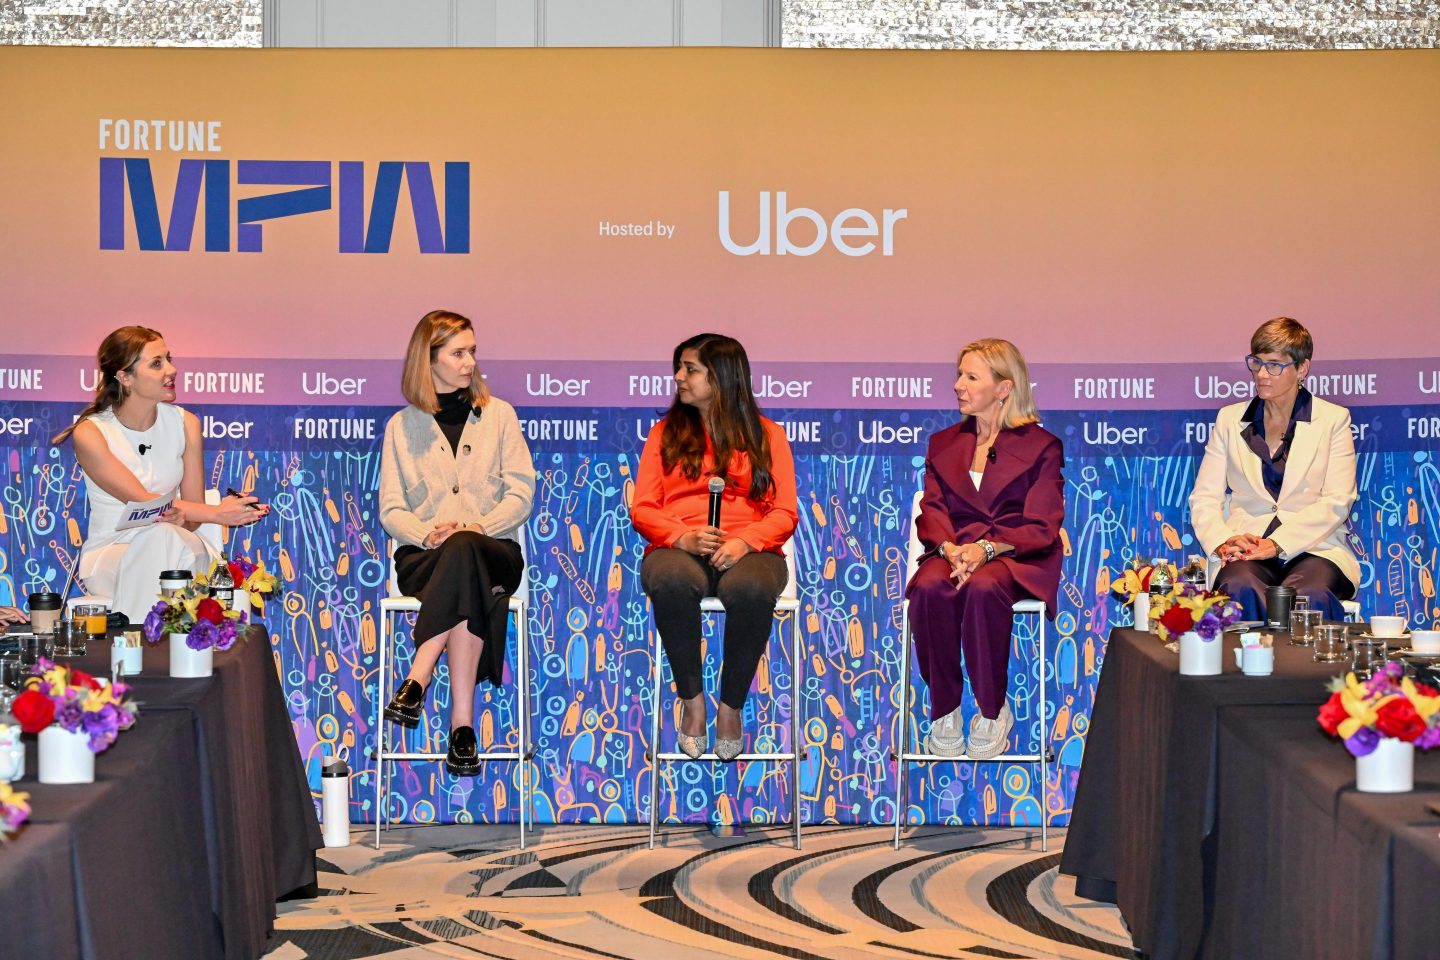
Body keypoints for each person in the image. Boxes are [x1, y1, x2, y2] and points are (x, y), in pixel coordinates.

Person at [379, 310, 536, 776]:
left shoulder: (499, 415)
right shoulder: (400, 427)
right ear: (427, 361)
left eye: (473, 351)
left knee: (468, 549)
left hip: (494, 549)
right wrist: (428, 532)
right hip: (424, 557)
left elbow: (522, 492)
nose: (470, 362)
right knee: (463, 569)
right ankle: (462, 727)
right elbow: (391, 509)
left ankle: (417, 677)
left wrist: (478, 527)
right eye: (459, 352)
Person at [631, 333, 798, 762]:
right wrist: (681, 536)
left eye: (691, 369)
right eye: (680, 368)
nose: (678, 377)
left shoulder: (768, 436)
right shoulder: (665, 434)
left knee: (751, 589)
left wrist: (747, 542)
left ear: (721, 377)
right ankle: (692, 701)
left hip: (750, 551)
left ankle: (730, 707)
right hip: (679, 548)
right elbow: (644, 508)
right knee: (668, 577)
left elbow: (784, 513)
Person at [907, 338, 1064, 760]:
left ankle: (992, 709)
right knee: (928, 588)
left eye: (971, 377)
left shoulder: (1041, 446)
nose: (958, 385)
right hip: (954, 552)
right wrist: (948, 547)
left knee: (982, 589)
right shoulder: (944, 443)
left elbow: (1043, 525)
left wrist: (988, 549)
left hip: (1014, 556)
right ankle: (946, 708)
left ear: (1003, 388)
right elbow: (932, 508)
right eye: (959, 375)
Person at [53, 327, 267, 626]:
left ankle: (136, 650)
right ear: (124, 376)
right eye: (157, 363)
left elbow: (191, 520)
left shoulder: (185, 424)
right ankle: (170, 649)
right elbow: (145, 504)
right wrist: (219, 513)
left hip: (181, 546)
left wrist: (188, 515)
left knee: (165, 537)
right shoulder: (91, 432)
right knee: (159, 536)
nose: (172, 369)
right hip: (112, 554)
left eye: (168, 359)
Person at [1189, 317, 1358, 621]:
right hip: (1247, 547)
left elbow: (1337, 501)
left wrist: (1278, 544)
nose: (1262, 374)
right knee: (1239, 586)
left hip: (1315, 548)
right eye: (1257, 363)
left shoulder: (1333, 419)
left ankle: (1303, 670)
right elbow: (1204, 499)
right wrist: (1224, 541)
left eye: (1275, 365)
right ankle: (1243, 668)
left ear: (1302, 369)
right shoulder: (1230, 419)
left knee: (1309, 595)